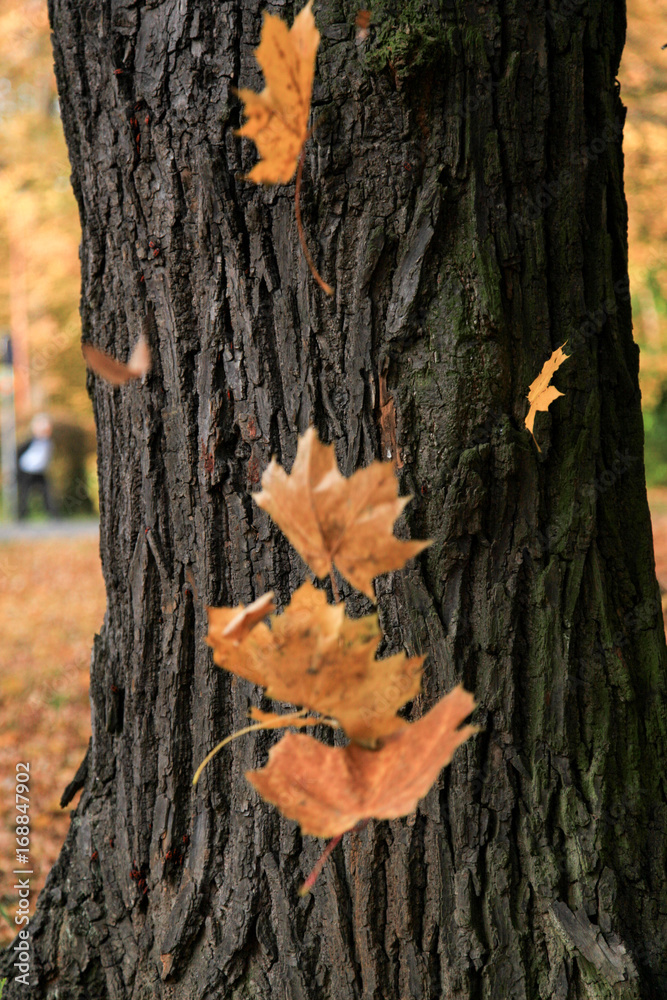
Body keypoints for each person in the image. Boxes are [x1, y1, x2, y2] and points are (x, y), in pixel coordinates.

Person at [17, 413, 55, 518]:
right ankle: (22, 515)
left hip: (39, 471)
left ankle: (53, 514)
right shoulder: (30, 442)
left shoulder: (48, 442)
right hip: (27, 471)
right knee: (24, 493)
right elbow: (20, 454)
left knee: (46, 492)